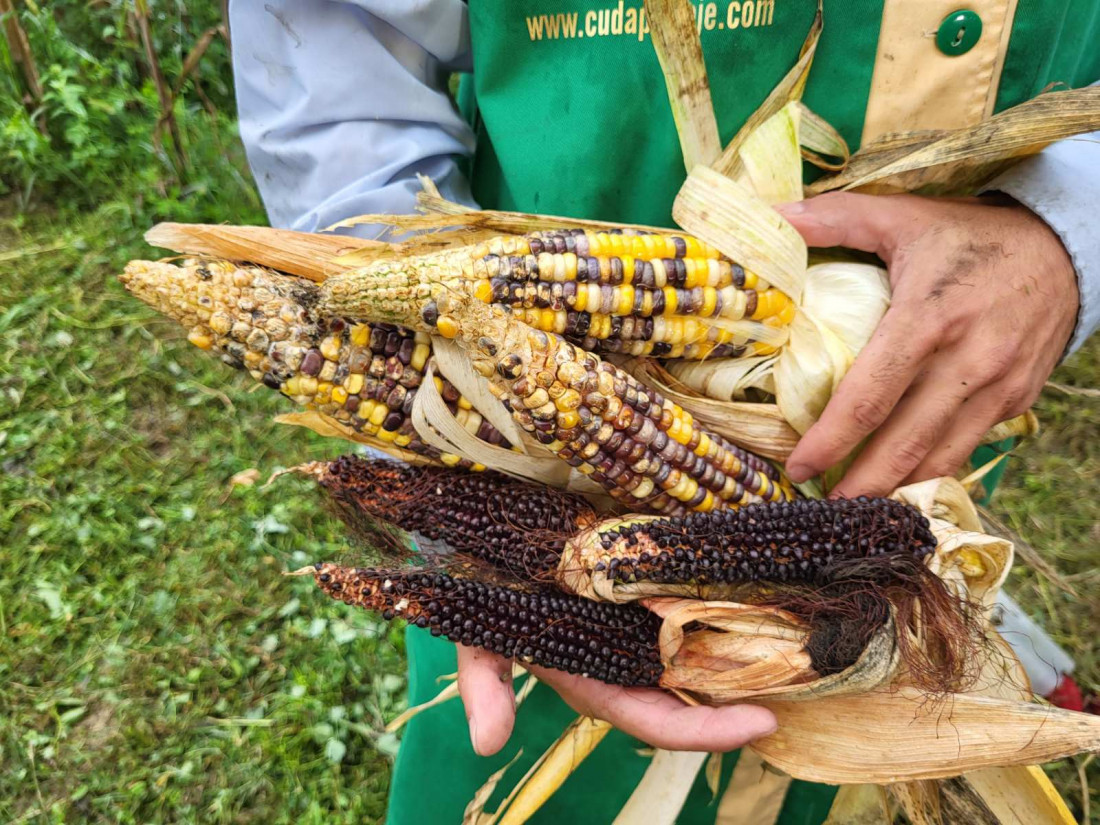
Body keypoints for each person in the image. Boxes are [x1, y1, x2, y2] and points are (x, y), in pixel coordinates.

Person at [229, 1, 1100, 821]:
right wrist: (441, 398)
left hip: (943, 416)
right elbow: (333, 39)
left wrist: (1067, 231)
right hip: (525, 466)